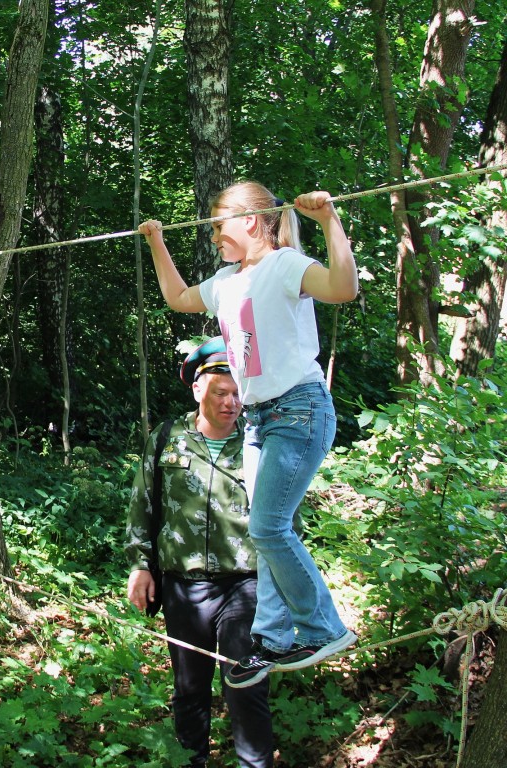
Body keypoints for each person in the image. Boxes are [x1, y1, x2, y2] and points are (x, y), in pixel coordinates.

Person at [139, 182, 358, 689]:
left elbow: (343, 288)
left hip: (299, 411)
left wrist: (329, 221)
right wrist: (155, 241)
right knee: (265, 531)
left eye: (220, 226)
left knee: (268, 529)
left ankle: (323, 627)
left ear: (253, 222)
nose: (215, 235)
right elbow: (176, 297)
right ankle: (275, 637)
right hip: (259, 418)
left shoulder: (286, 265)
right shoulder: (224, 282)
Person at [126, 337, 273, 768]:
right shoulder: (167, 438)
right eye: (220, 393)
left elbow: (284, 516)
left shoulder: (260, 442)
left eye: (236, 394)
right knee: (189, 688)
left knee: (246, 682)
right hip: (184, 587)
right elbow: (143, 504)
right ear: (197, 390)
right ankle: (192, 761)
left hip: (245, 584)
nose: (231, 403)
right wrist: (140, 565)